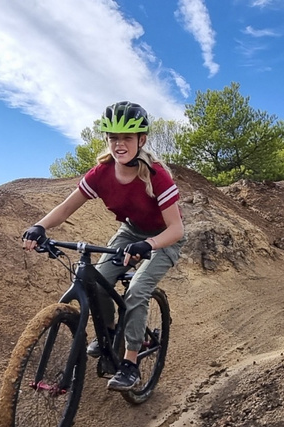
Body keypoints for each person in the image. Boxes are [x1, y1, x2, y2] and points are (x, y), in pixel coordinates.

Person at [22, 101, 186, 392]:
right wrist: (40, 226)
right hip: (131, 231)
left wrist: (148, 244)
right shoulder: (101, 173)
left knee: (137, 290)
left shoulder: (156, 175)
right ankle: (109, 333)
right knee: (97, 282)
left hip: (164, 237)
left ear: (141, 140)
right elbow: (66, 207)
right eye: (113, 137)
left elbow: (176, 229)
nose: (119, 144)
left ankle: (130, 363)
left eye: (127, 138)